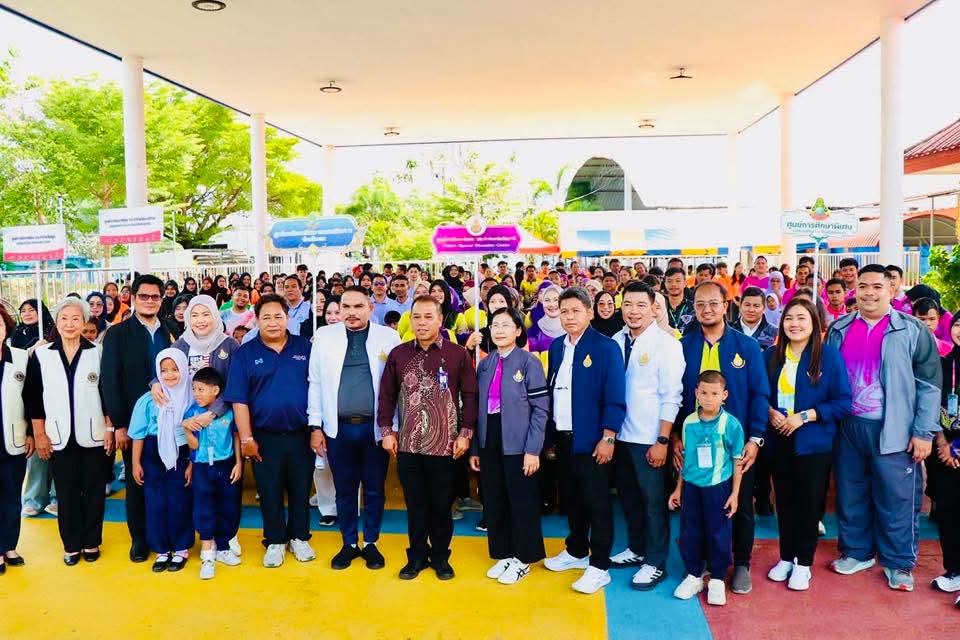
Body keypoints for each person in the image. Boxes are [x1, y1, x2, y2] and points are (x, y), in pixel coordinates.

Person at [826, 264, 941, 591]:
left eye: (877, 286)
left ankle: (899, 562)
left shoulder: (912, 330)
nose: (869, 293)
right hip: (849, 429)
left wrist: (923, 432)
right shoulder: (839, 328)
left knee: (897, 499)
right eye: (863, 286)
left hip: (895, 430)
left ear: (891, 289)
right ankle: (857, 551)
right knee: (851, 493)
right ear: (856, 290)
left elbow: (929, 384)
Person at [674, 280, 770, 595]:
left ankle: (740, 562)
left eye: (713, 303)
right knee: (698, 506)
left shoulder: (747, 346)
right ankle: (701, 562)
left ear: (726, 305)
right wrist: (675, 435)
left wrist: (755, 438)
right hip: (696, 443)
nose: (707, 310)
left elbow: (759, 394)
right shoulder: (683, 346)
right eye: (700, 304)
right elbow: (675, 395)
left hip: (735, 444)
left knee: (739, 504)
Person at [377, 295, 478, 581]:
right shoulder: (399, 355)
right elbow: (386, 395)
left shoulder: (457, 355)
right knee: (416, 505)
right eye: (417, 317)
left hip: (446, 446)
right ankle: (417, 556)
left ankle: (441, 557)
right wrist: (386, 431)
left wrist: (465, 434)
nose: (422, 323)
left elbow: (470, 395)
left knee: (441, 506)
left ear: (440, 319)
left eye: (428, 316)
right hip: (408, 445)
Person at [307, 287, 401, 570]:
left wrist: (392, 428)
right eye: (345, 306)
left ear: (370, 308)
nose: (351, 312)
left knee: (374, 489)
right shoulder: (324, 336)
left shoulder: (388, 337)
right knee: (344, 489)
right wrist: (315, 426)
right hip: (338, 430)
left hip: (375, 430)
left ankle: (371, 542)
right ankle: (348, 543)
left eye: (358, 306)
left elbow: (396, 386)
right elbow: (315, 383)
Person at [764, 298, 851, 591]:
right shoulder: (772, 355)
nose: (795, 324)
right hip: (780, 439)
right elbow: (759, 394)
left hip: (813, 443)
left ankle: (803, 563)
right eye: (789, 318)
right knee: (785, 501)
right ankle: (786, 557)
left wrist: (805, 416)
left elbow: (843, 402)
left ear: (814, 323)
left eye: (802, 318)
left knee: (809, 504)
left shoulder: (828, 357)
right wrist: (770, 412)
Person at [543, 288, 626, 595]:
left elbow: (615, 396)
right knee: (573, 498)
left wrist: (608, 437)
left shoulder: (606, 348)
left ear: (590, 312)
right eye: (564, 311)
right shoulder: (556, 347)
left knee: (597, 502)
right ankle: (576, 550)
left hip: (593, 440)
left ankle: (600, 565)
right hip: (564, 437)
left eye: (576, 310)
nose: (569, 317)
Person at [224, 293, 316, 568]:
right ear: (257, 320)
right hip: (263, 437)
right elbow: (239, 400)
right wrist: (247, 438)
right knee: (269, 490)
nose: (273, 322)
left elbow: (318, 388)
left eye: (278, 316)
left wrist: (316, 429)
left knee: (300, 488)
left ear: (287, 318)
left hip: (301, 434)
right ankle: (275, 540)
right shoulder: (245, 354)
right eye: (266, 317)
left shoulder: (305, 348)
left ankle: (299, 537)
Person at [25, 297, 110, 565]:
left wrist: (109, 428)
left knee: (94, 491)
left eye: (75, 319)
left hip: (94, 435)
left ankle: (92, 541)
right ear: (56, 322)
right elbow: (34, 398)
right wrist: (39, 434)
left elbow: (107, 394)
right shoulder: (42, 355)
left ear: (84, 322)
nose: (70, 324)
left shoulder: (97, 352)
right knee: (66, 492)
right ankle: (72, 545)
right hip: (57, 436)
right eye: (64, 318)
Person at [610, 282, 683, 589]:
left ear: (654, 308)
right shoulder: (616, 340)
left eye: (641, 305)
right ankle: (637, 548)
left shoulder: (667, 345)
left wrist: (663, 441)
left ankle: (655, 561)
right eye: (628, 304)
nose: (634, 311)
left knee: (653, 502)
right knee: (629, 498)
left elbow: (672, 396)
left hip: (650, 438)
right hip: (620, 436)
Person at [470, 308, 549, 585]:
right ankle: (503, 553)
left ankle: (523, 558)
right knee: (494, 499)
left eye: (506, 325)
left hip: (519, 441)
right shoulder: (485, 364)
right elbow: (476, 409)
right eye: (495, 325)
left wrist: (533, 450)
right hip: (489, 438)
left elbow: (540, 410)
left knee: (521, 500)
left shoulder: (529, 362)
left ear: (518, 330)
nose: (499, 330)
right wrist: (476, 449)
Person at [101, 274, 173, 563]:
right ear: (132, 298)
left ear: (162, 299)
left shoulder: (171, 330)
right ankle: (139, 539)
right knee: (137, 480)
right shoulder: (118, 334)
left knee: (168, 479)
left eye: (155, 296)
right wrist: (119, 424)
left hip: (169, 421)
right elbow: (109, 381)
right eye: (144, 296)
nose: (149, 301)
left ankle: (165, 536)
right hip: (135, 425)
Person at [669, 370, 745, 606]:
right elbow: (687, 460)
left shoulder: (731, 425)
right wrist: (678, 489)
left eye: (714, 393)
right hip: (692, 487)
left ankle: (717, 579)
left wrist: (735, 494)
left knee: (718, 532)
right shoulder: (689, 422)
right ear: (696, 393)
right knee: (690, 531)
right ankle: (694, 575)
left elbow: (737, 461)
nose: (708, 398)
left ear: (724, 395)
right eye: (703, 393)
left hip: (718, 487)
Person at [129, 349, 194, 572]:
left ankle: (181, 548)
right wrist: (136, 463)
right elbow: (138, 434)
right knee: (154, 502)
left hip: (182, 452)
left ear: (184, 369)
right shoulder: (148, 400)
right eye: (164, 370)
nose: (169, 375)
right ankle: (161, 549)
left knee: (180, 500)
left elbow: (197, 435)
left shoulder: (191, 397)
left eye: (175, 369)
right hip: (152, 452)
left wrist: (192, 463)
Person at [183, 367, 242, 580]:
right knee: (204, 508)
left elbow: (235, 436)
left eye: (201, 389)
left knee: (228, 506)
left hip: (226, 465)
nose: (196, 394)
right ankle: (207, 553)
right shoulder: (192, 413)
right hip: (202, 468)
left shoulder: (228, 412)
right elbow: (194, 446)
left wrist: (239, 463)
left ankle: (224, 547)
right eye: (194, 389)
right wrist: (187, 428)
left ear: (215, 390)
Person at [928, 313, 960, 604]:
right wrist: (941, 442)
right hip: (945, 450)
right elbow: (931, 404)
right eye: (958, 325)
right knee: (948, 511)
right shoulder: (943, 364)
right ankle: (954, 571)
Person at [0, 307, 31, 574]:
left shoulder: (20, 358)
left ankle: (9, 545)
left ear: (6, 327)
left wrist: (31, 432)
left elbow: (31, 399)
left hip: (13, 438)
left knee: (12, 495)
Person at [664, 267, 695, 336]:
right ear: (665, 284)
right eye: (669, 281)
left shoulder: (694, 308)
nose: (673, 284)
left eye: (678, 281)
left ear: (685, 283)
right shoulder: (660, 308)